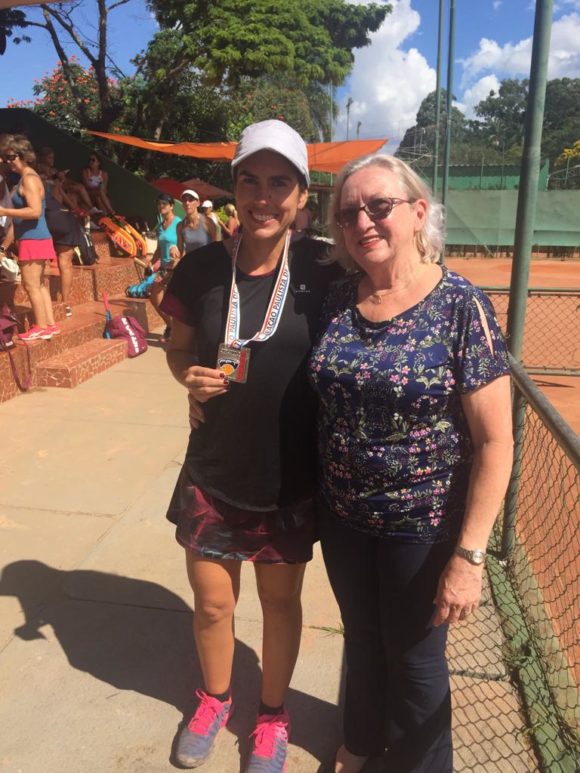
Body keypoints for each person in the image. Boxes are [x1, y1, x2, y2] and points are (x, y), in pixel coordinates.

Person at [308, 154, 514, 773]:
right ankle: (361, 742)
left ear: (418, 212)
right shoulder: (337, 298)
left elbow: (496, 442)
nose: (362, 222)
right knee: (362, 638)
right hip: (343, 518)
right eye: (349, 213)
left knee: (416, 661)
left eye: (379, 206)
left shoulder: (460, 306)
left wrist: (470, 556)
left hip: (421, 526)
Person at [159, 119, 338, 772]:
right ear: (234, 188)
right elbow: (178, 349)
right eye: (250, 181)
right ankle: (214, 700)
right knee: (213, 603)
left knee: (280, 604)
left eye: (279, 183)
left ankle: (271, 716)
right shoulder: (202, 268)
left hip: (289, 477)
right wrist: (189, 376)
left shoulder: (325, 270)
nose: (263, 197)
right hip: (214, 468)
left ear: (302, 194)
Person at [0, 135, 59, 341]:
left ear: (23, 156)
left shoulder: (29, 179)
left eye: (11, 157)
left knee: (31, 285)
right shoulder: (26, 178)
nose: (8, 161)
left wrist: (4, 211)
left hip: (33, 239)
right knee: (39, 284)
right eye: (5, 157)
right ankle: (49, 325)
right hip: (36, 238)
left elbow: (34, 211)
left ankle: (40, 327)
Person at [148, 192, 182, 343]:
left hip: (176, 267)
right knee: (154, 297)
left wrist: (178, 253)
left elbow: (184, 244)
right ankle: (171, 326)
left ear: (171, 206)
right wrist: (151, 261)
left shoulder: (179, 223)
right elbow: (159, 248)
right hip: (163, 267)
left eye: (164, 204)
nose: (161, 206)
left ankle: (176, 331)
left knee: (174, 302)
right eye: (159, 204)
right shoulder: (160, 226)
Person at [176, 188, 218, 256]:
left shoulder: (208, 222)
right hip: (190, 262)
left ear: (198, 203)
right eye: (184, 200)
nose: (187, 203)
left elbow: (216, 247)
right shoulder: (180, 226)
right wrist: (173, 249)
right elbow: (179, 252)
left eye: (190, 200)